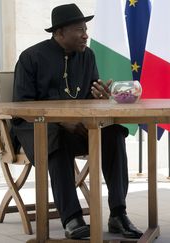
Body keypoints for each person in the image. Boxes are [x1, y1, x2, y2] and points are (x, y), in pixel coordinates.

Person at [11, 4, 143, 239]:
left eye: (86, 29)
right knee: (55, 137)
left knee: (113, 132)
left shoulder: (87, 55)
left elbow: (88, 98)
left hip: (78, 127)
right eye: (79, 29)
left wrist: (100, 96)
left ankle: (118, 214)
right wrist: (62, 121)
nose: (85, 35)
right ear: (59, 33)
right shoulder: (31, 57)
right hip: (36, 128)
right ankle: (72, 218)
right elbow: (21, 106)